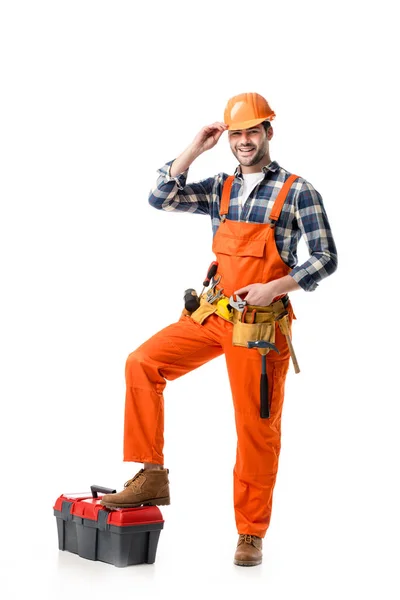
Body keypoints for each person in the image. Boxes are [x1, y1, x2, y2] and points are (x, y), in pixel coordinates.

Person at [100, 92, 338, 567]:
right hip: (213, 316)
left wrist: (277, 286)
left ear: (269, 132)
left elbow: (326, 258)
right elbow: (160, 197)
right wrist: (193, 150)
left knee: (255, 430)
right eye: (236, 134)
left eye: (252, 131)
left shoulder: (298, 191)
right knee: (142, 363)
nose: (244, 141)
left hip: (259, 329)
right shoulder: (220, 187)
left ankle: (250, 533)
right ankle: (150, 474)